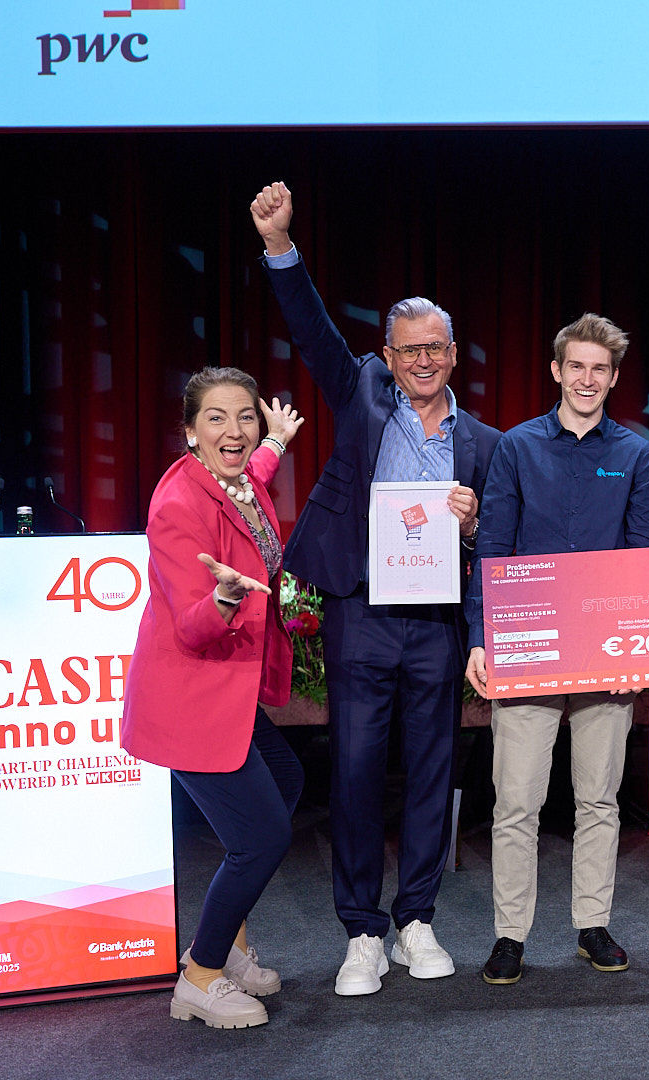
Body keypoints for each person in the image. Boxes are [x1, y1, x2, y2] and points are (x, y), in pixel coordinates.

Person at [250, 182, 501, 996]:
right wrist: (280, 246)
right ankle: (361, 931)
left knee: (432, 771)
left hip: (436, 624)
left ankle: (415, 919)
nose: (422, 361)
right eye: (408, 349)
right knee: (355, 771)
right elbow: (311, 330)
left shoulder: (485, 443)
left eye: (435, 348)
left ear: (453, 355)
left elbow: (496, 542)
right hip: (361, 610)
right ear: (386, 357)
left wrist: (472, 526)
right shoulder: (359, 391)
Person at [465, 314, 649, 986]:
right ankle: (509, 936)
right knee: (516, 803)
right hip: (530, 648)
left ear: (613, 377)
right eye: (575, 366)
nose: (586, 379)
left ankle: (592, 925)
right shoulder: (517, 447)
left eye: (598, 369)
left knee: (599, 800)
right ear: (556, 371)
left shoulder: (636, 453)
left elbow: (646, 556)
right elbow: (493, 549)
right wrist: (480, 637)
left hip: (608, 653)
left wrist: (639, 647)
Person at [123, 369, 306, 1029]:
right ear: (190, 432)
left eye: (245, 417)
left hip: (226, 692)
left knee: (284, 781)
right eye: (216, 419)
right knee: (261, 838)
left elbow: (250, 470)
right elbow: (190, 624)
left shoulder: (235, 477)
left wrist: (275, 442)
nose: (234, 432)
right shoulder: (178, 504)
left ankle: (227, 942)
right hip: (189, 698)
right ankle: (199, 977)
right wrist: (225, 597)